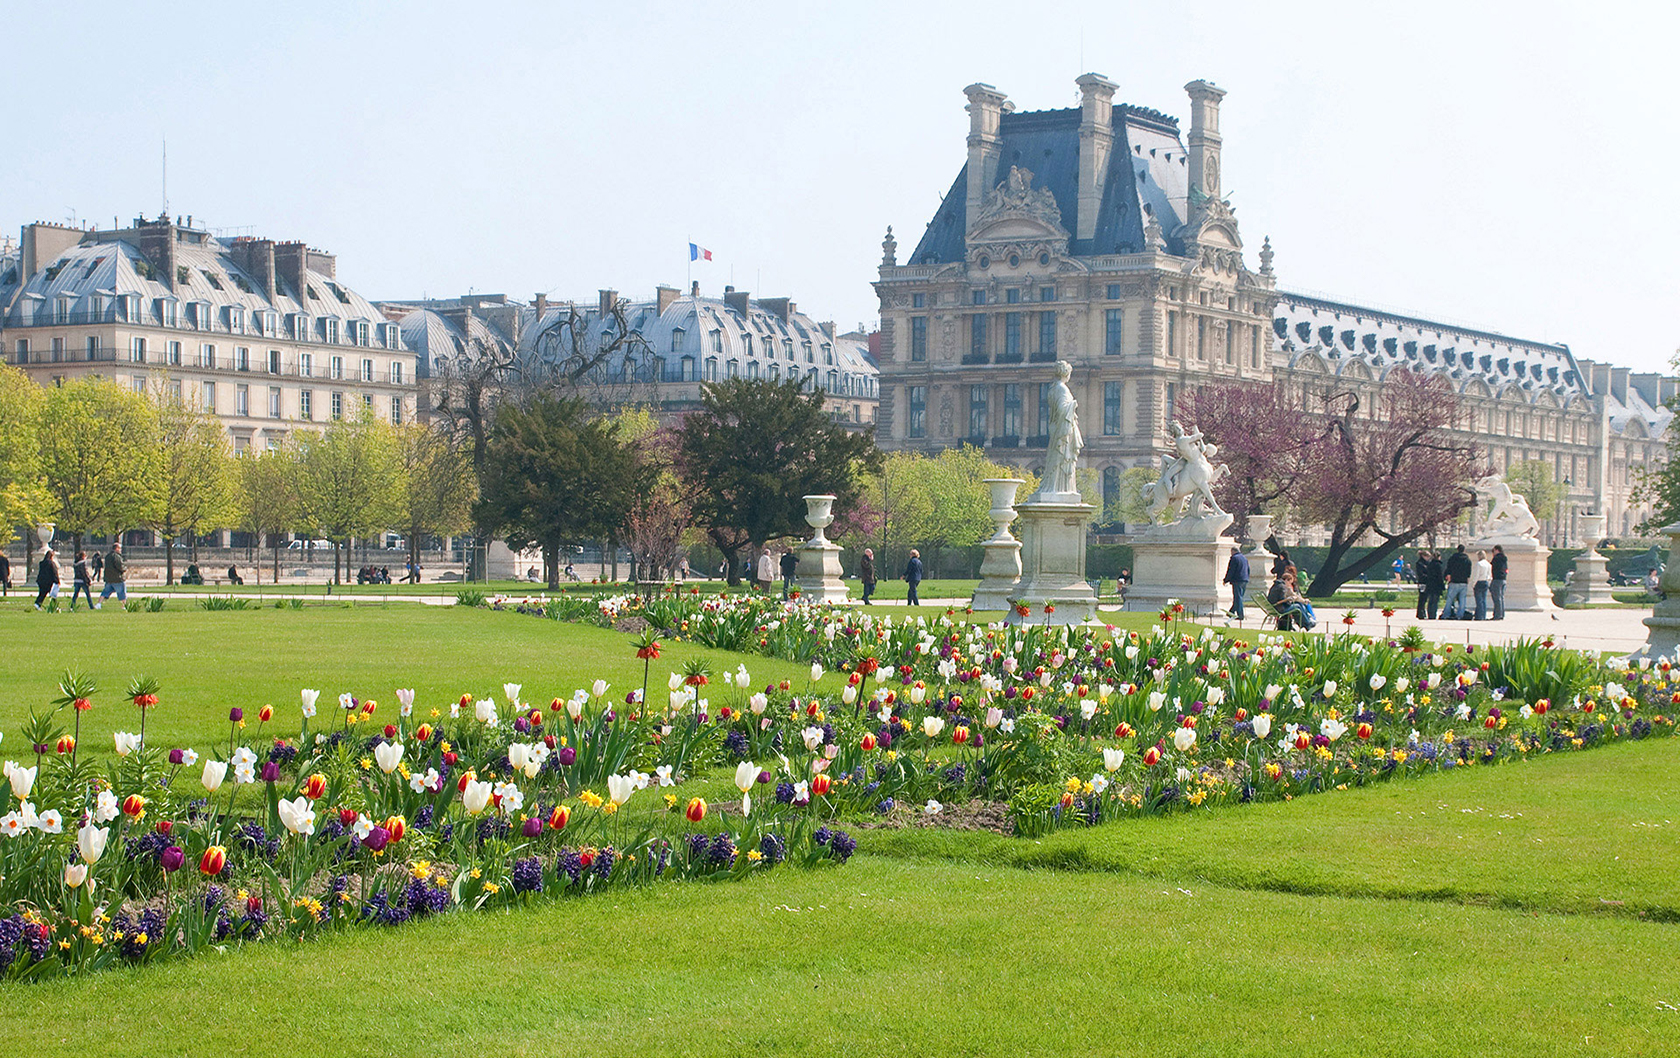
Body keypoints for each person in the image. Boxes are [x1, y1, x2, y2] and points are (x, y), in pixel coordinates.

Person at [1267, 564, 1315, 631]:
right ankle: (1307, 623)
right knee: (1297, 606)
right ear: (1286, 580)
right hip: (1279, 609)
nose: (1290, 584)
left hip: (1274, 607)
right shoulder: (1282, 587)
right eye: (1289, 582)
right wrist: (1288, 599)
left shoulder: (1276, 585)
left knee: (1297, 606)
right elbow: (1281, 600)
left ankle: (1306, 623)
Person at [1442, 545, 1472, 620]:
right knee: (1462, 600)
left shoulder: (1452, 558)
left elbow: (1449, 569)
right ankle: (1460, 615)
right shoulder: (1467, 560)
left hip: (1454, 581)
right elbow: (1469, 572)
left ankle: (1446, 614)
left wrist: (1449, 577)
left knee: (1450, 599)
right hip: (1463, 581)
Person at [1415, 550, 1444, 620]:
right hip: (1423, 582)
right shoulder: (1420, 563)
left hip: (1427, 582)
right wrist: (1429, 577)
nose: (1428, 558)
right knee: (1422, 598)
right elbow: (1421, 574)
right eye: (1427, 556)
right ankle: (1420, 613)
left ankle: (1423, 612)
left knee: (1426, 598)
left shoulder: (1428, 563)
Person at [96, 542, 127, 609]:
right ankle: (124, 606)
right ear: (117, 548)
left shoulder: (107, 556)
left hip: (109, 578)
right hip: (117, 578)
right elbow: (120, 566)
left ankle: (99, 604)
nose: (120, 550)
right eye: (119, 548)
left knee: (105, 592)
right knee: (122, 592)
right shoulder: (117, 556)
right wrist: (124, 569)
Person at [1223, 548, 1250, 620]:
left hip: (1237, 580)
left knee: (1238, 598)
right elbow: (1248, 569)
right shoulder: (1244, 558)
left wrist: (1226, 580)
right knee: (1239, 597)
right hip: (1244, 579)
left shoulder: (1234, 558)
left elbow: (1231, 570)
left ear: (1233, 551)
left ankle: (1240, 615)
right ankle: (1231, 612)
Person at [1490, 545, 1508, 619]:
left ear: (1497, 550)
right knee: (1501, 598)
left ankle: (1497, 615)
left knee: (1497, 598)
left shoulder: (1496, 559)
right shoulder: (1504, 559)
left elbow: (1492, 568)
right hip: (1503, 579)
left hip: (1497, 579)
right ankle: (1501, 614)